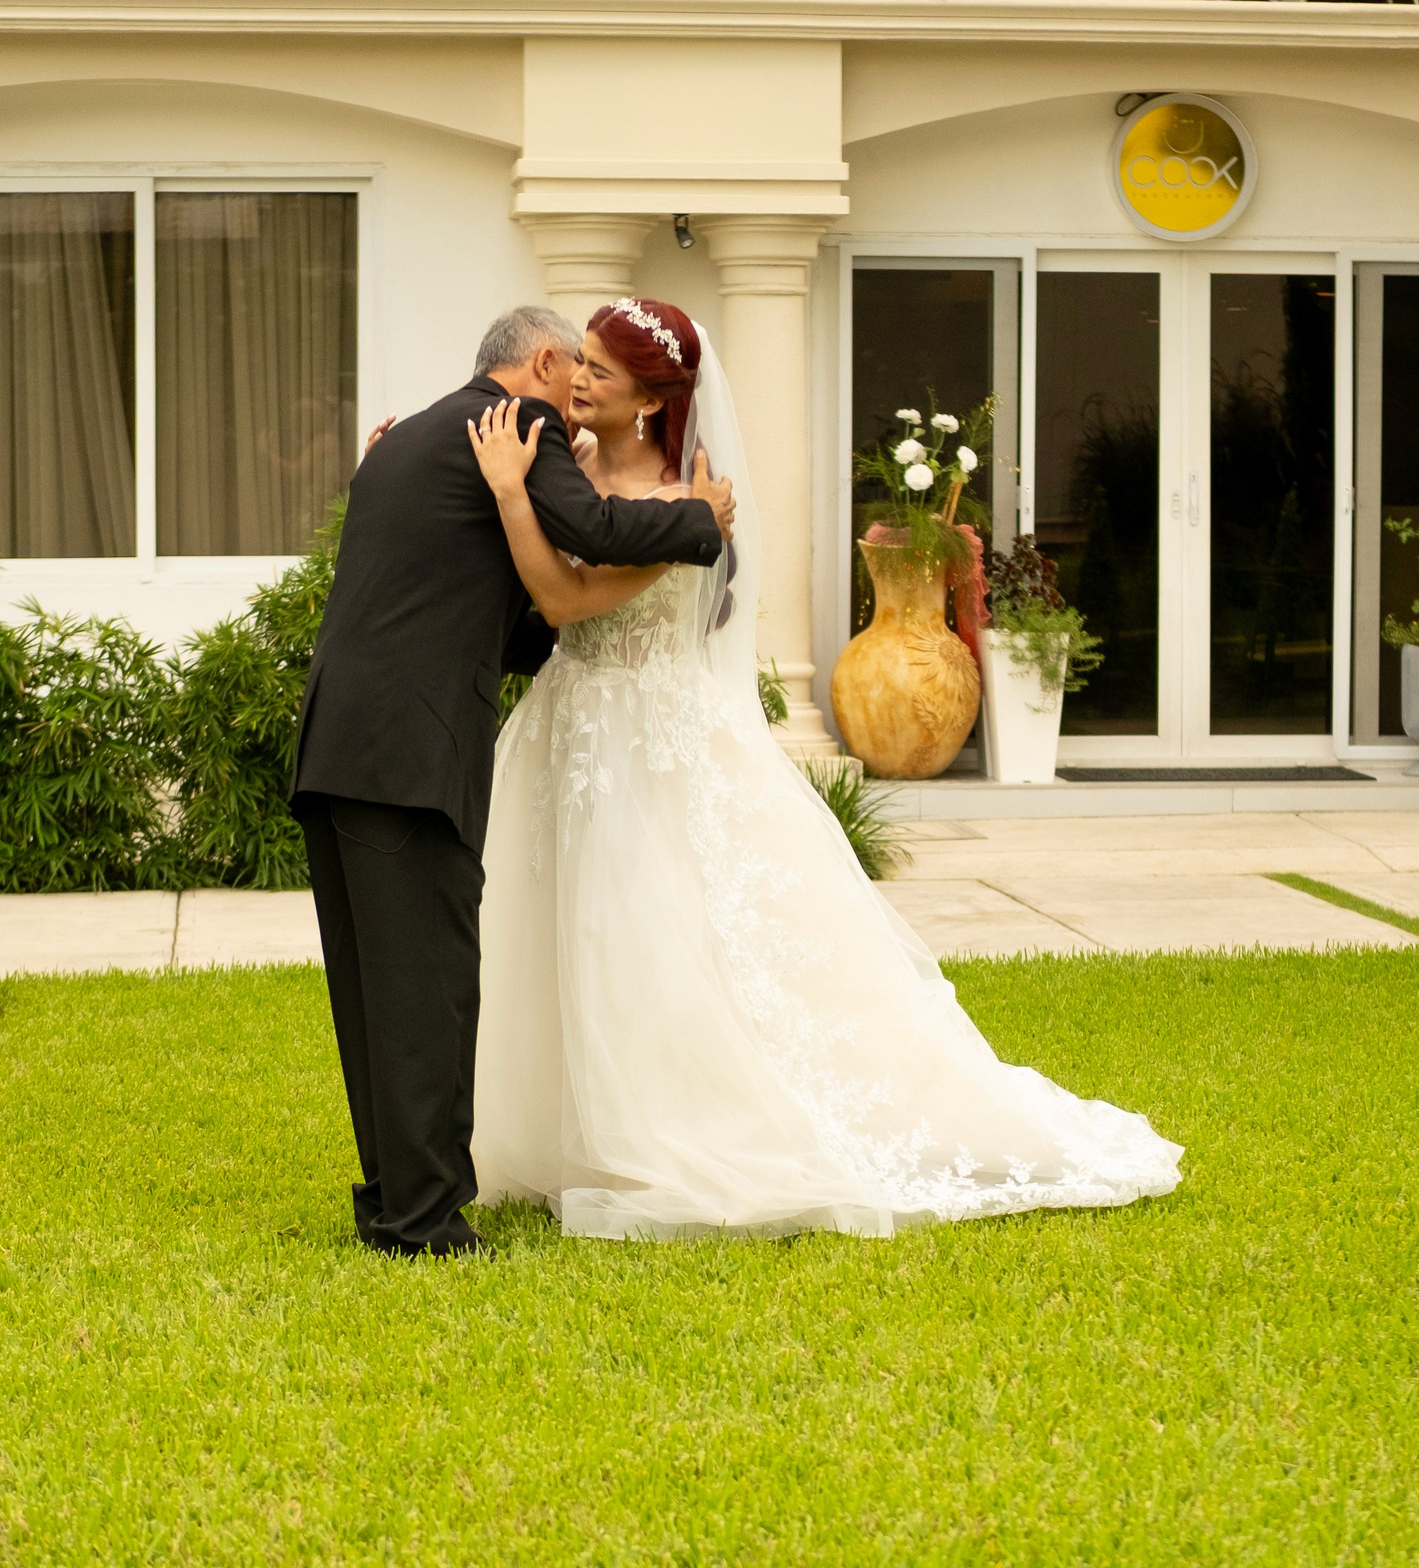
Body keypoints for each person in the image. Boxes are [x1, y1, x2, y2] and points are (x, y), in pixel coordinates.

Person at [468, 298, 1183, 1240]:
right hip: (572, 725)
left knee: (644, 925)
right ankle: (560, 1135)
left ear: (649, 398)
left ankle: (661, 1134)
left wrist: (514, 495)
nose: (578, 377)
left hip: (648, 736)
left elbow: (565, 600)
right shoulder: (576, 465)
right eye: (580, 362)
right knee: (560, 922)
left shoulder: (692, 504)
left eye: (599, 368)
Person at [293, 305, 737, 1258]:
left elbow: (526, 620)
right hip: (410, 756)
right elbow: (601, 529)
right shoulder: (516, 427)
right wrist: (703, 521)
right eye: (572, 366)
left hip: (340, 746)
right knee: (428, 988)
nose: (576, 394)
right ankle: (425, 1221)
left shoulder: (406, 438)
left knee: (376, 995)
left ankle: (391, 1200)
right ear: (540, 363)